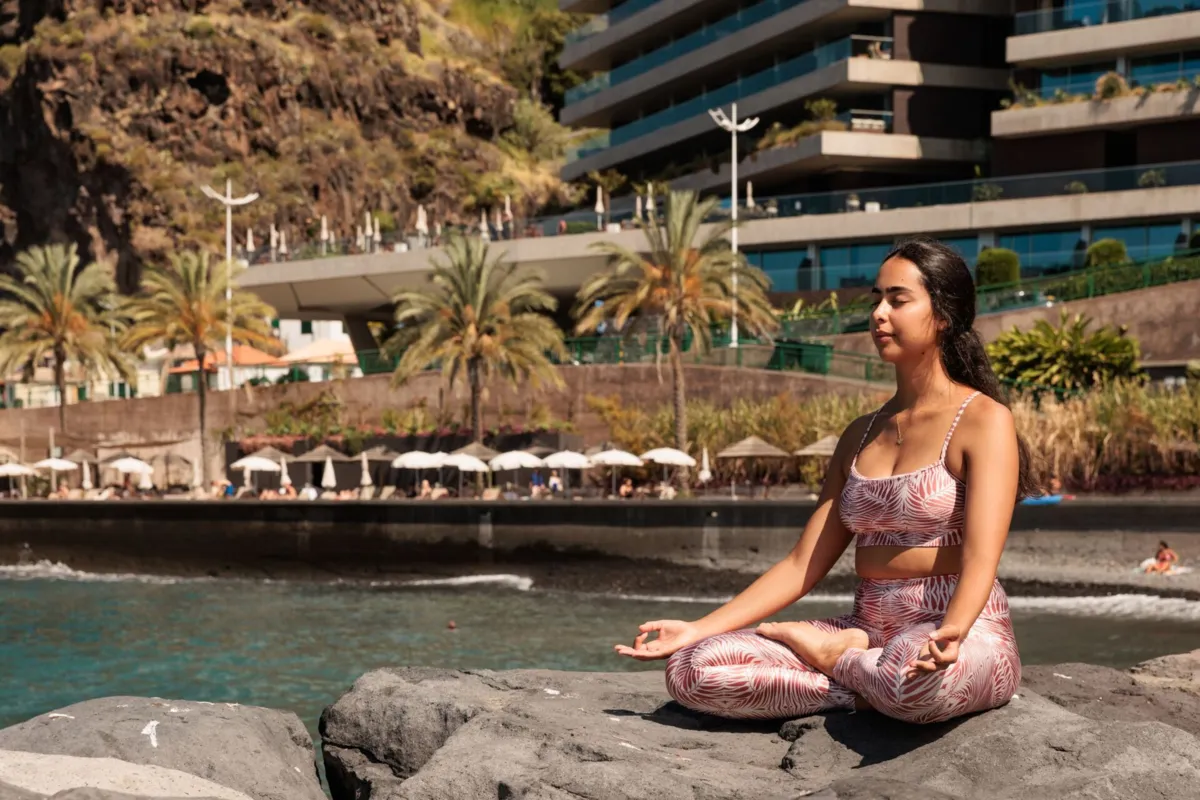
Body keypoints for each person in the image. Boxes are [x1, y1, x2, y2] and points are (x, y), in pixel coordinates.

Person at [615, 237, 1030, 725]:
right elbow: (801, 564)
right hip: (868, 629)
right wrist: (698, 628)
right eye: (876, 299)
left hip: (960, 632)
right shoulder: (860, 434)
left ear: (944, 315)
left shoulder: (984, 420)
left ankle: (839, 661)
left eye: (897, 300)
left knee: (916, 682)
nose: (878, 314)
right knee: (693, 668)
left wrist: (953, 630)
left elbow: (981, 558)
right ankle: (858, 678)